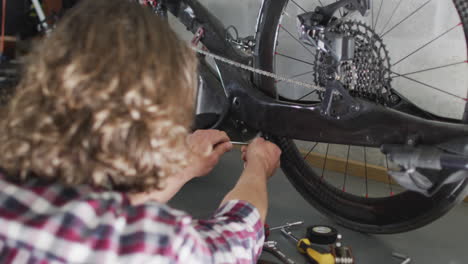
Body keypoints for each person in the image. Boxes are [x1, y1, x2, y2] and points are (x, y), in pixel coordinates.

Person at [0, 0, 281, 263]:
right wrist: (258, 165)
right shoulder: (146, 242)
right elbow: (234, 240)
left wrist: (181, 170)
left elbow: (95, 211)